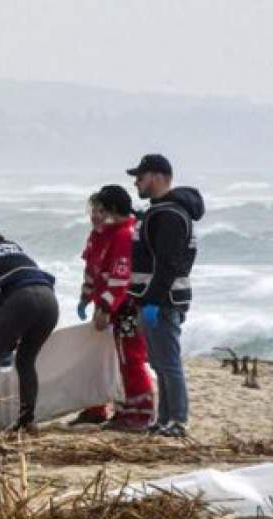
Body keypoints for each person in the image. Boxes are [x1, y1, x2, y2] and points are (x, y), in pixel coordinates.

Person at [126, 154, 205, 438]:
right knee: (159, 362)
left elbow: (167, 264)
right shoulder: (160, 211)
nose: (136, 182)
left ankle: (178, 421)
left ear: (158, 177)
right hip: (160, 298)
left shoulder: (169, 214)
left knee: (168, 362)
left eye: (141, 176)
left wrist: (151, 301)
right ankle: (164, 419)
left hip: (164, 300)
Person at [71, 186, 155, 432]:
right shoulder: (99, 234)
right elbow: (92, 268)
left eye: (100, 210)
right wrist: (86, 297)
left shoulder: (125, 235)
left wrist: (106, 307)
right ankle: (97, 407)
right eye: (93, 209)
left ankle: (140, 412)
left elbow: (121, 277)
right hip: (105, 303)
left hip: (127, 306)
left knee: (131, 356)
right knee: (101, 357)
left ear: (114, 211)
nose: (94, 215)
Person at [0, 225, 59, 430]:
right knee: (26, 360)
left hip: (22, 299)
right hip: (50, 300)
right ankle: (27, 420)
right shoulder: (11, 246)